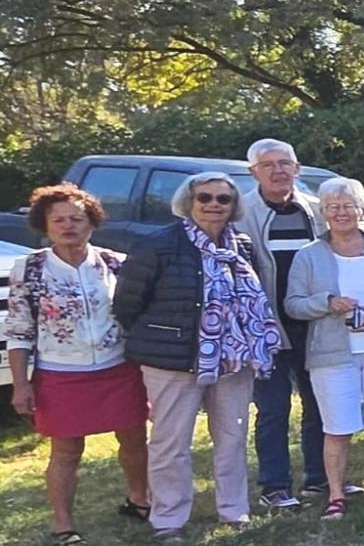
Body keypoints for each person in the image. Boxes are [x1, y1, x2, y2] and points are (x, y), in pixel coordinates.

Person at [115, 172, 283, 540]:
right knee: (170, 442)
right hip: (172, 359)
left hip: (234, 359)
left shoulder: (241, 245)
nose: (213, 205)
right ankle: (169, 519)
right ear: (188, 203)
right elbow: (128, 304)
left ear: (233, 205)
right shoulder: (158, 245)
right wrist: (166, 338)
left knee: (232, 437)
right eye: (204, 197)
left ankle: (234, 510)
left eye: (223, 199)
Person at [6, 184, 149, 545]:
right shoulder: (31, 269)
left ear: (92, 222)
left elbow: (138, 314)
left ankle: (140, 500)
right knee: (67, 450)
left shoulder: (116, 262)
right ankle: (63, 524)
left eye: (76, 218)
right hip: (61, 373)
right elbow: (20, 330)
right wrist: (21, 385)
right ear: (45, 224)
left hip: (119, 367)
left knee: (134, 440)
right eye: (59, 220)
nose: (68, 226)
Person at [284, 177, 364, 519]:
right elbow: (293, 305)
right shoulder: (309, 256)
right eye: (333, 207)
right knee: (338, 428)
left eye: (349, 206)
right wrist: (327, 302)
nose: (341, 213)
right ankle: (336, 495)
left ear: (362, 209)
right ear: (322, 212)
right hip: (332, 354)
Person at [233, 138, 327, 511]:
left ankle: (319, 478)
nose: (278, 170)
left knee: (319, 404)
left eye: (285, 163)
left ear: (297, 169)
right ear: (253, 172)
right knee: (273, 410)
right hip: (266, 328)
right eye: (268, 164)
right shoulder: (240, 213)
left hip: (314, 324)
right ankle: (274, 485)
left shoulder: (316, 210)